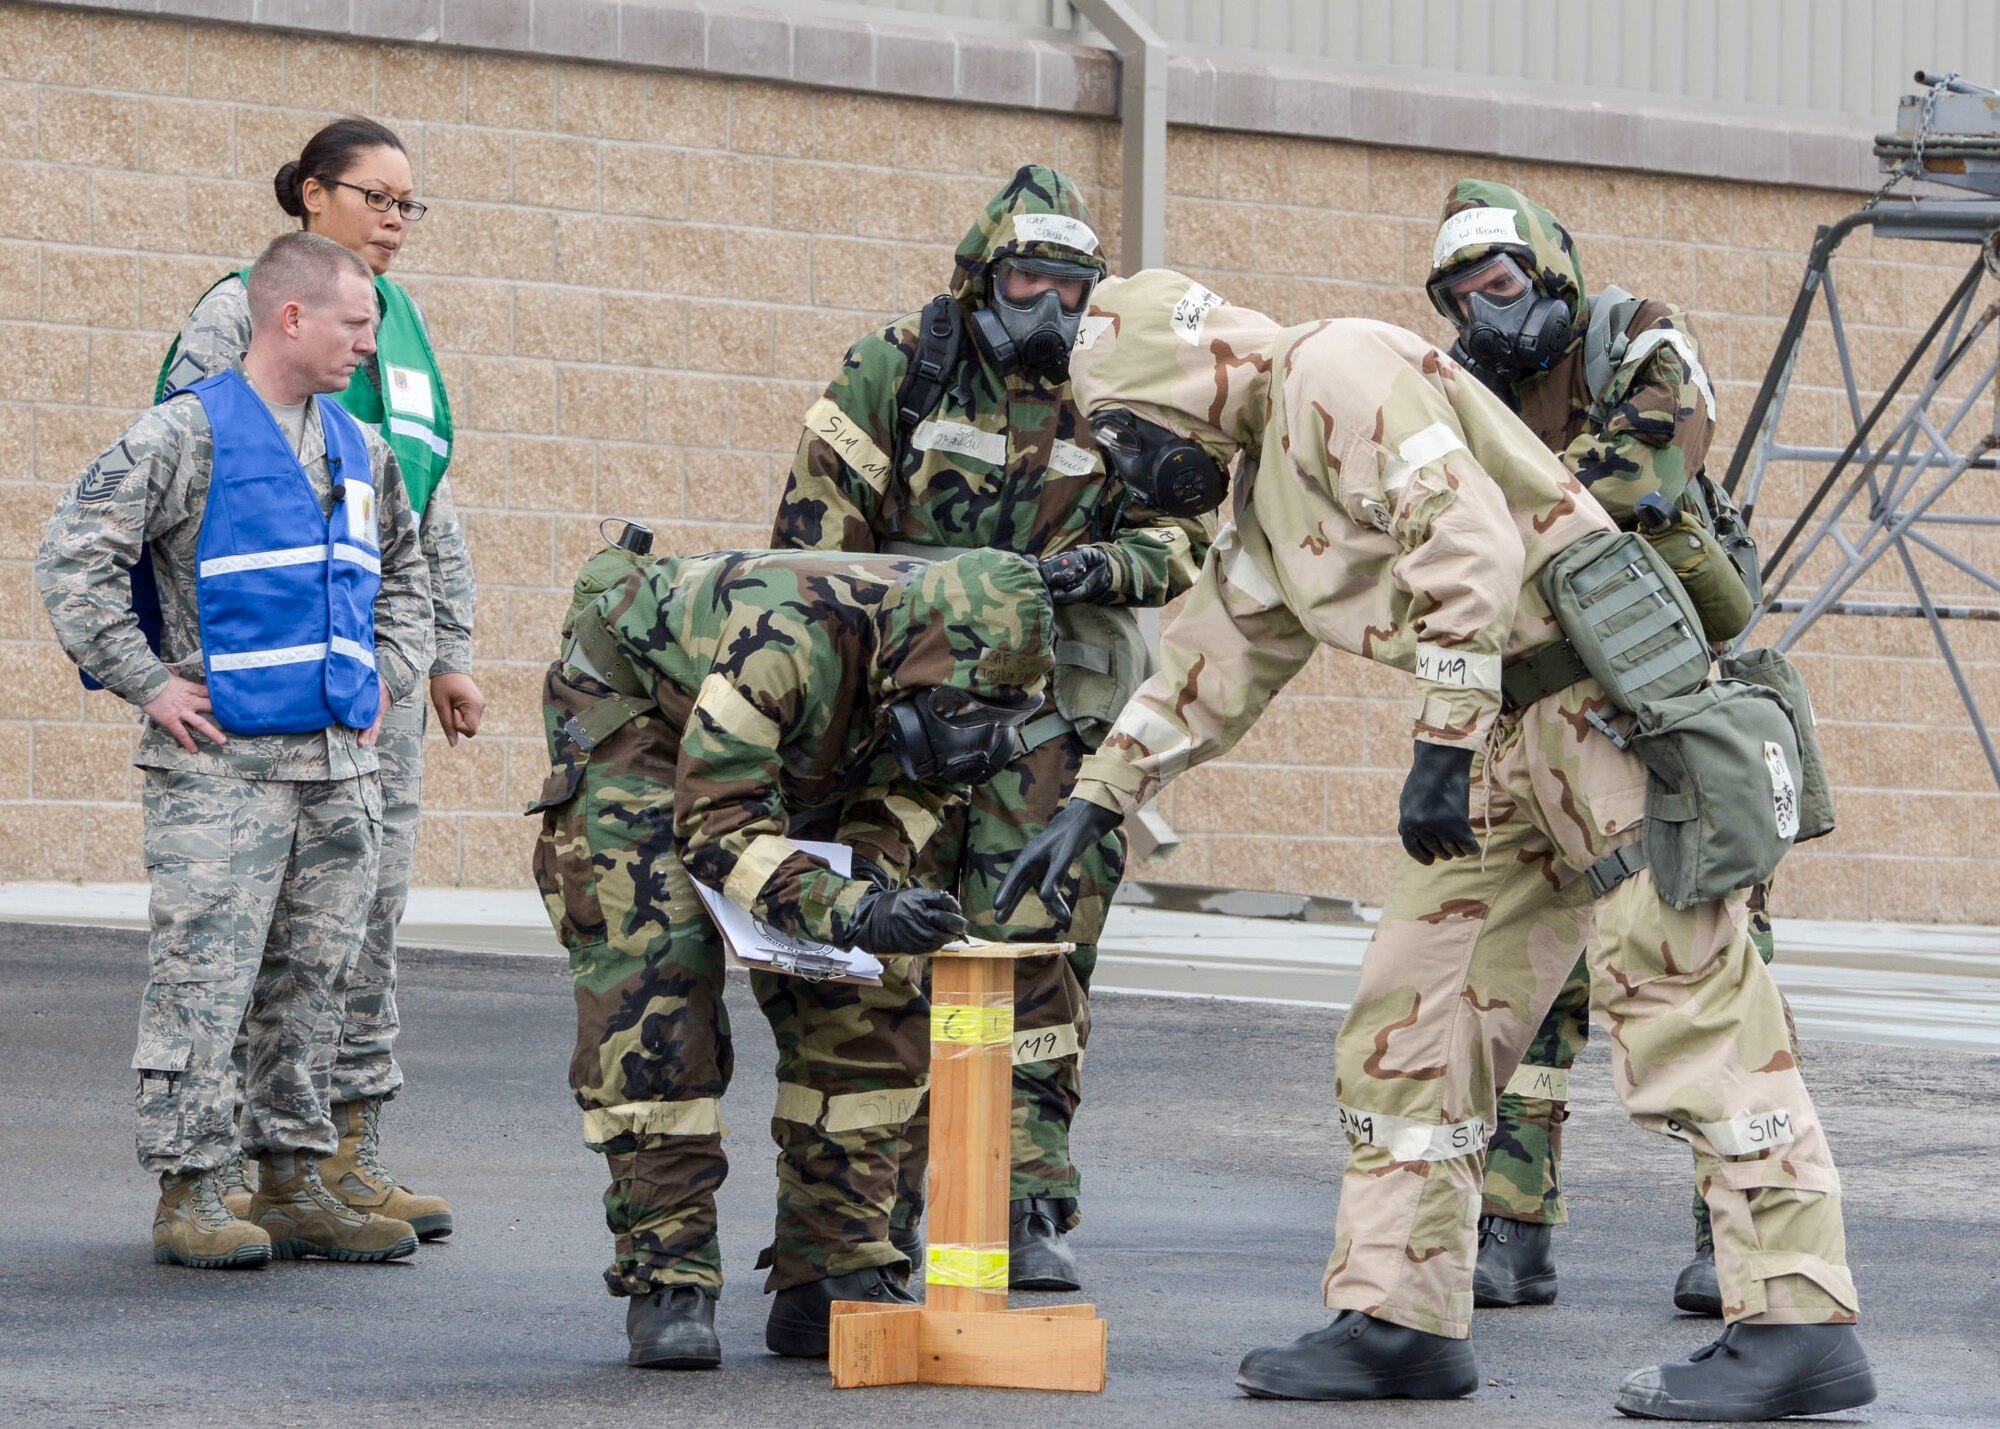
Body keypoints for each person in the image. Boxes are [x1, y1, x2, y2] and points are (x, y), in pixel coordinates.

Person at [996, 269, 1873, 1420]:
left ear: (1177, 380)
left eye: (1121, 430)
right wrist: (1098, 796)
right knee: (1414, 1018)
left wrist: (1439, 744)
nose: (1129, 463)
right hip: (1505, 731)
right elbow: (1216, 654)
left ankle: (1797, 1318)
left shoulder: (1337, 365)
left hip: (1597, 709)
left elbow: (1462, 539)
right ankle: (1397, 1315)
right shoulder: (1266, 483)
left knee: (1684, 998)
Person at [770, 163, 1208, 1291]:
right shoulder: (895, 370)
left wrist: (1096, 563)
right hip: (905, 715)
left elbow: (1184, 543)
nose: (1049, 309)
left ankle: (1025, 1204)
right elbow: (810, 545)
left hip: (1056, 721)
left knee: (1042, 954)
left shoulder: (1119, 391)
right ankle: (859, 1234)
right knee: (876, 960)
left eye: (1071, 287)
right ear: (979, 280)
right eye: (1026, 279)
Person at [530, 542, 1054, 1368]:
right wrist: (851, 904)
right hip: (644, 720)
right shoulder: (784, 643)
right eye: (958, 715)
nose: (974, 737)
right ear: (916, 671)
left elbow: (913, 794)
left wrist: (875, 905)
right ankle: (671, 1270)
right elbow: (717, 831)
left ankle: (833, 1265)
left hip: (819, 741)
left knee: (870, 993)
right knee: (656, 977)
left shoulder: (972, 682)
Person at [38, 231, 434, 1269]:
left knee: (317, 980)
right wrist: (149, 681)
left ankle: (296, 1178)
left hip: (339, 772)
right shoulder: (184, 435)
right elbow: (72, 559)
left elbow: (408, 577)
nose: (366, 344)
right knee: (205, 980)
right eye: (355, 323)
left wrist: (385, 679)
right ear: (291, 318)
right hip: (220, 775)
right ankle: (194, 1188)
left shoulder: (362, 449)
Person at [1425, 178, 1766, 1316]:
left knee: (1699, 968)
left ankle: (1739, 1239)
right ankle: (1509, 1227)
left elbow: (1624, 485)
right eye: (1461, 296)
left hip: (1657, 702)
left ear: (1550, 272)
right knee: (1526, 985)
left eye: (1503, 282)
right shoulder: (1468, 385)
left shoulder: (1636, 341)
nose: (1485, 310)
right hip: (1531, 716)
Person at [157, 116, 479, 1240]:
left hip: (370, 686)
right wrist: (173, 671)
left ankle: (343, 1150)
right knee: (250, 933)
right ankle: (230, 1166)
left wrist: (448, 652)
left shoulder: (399, 329)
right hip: (265, 696)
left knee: (362, 918)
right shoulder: (244, 309)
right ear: (310, 195)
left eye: (407, 203)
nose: (395, 219)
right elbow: (192, 489)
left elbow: (422, 499)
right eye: (374, 197)